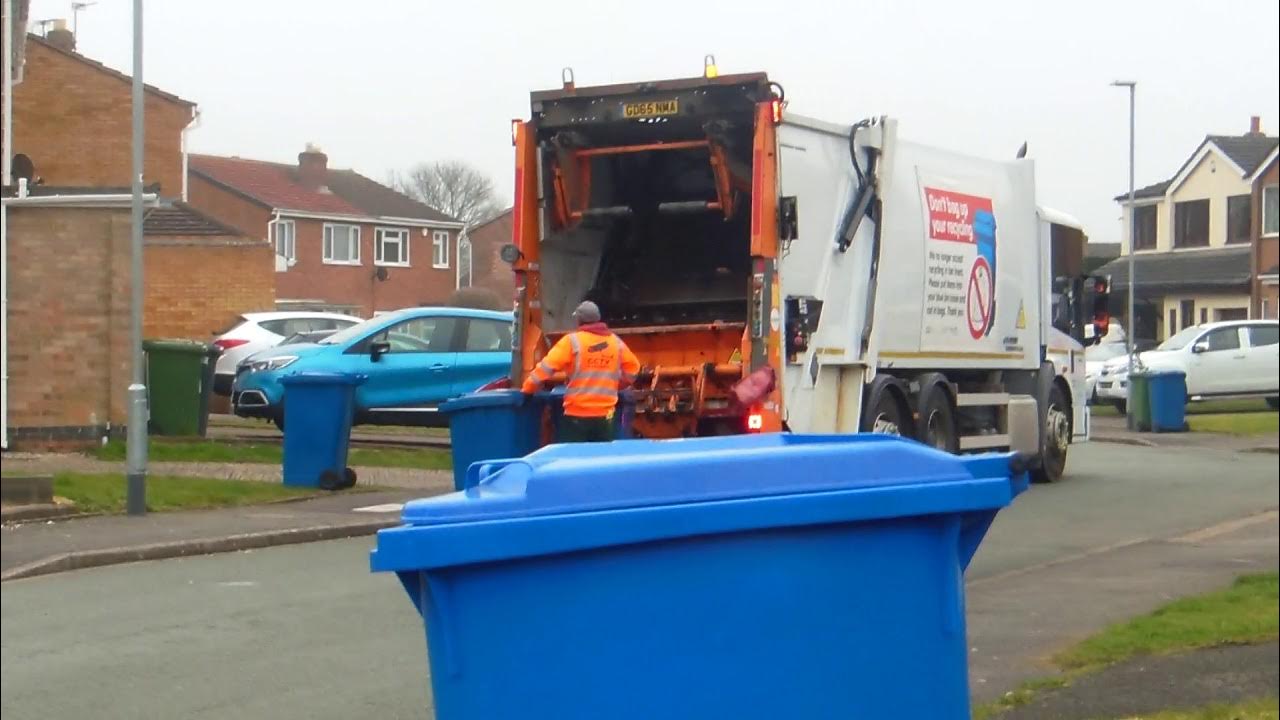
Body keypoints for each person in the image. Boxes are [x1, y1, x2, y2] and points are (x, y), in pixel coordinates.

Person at [522, 301, 641, 442]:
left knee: (574, 454)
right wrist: (616, 386)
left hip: (577, 414)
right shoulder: (615, 342)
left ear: (579, 320)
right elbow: (633, 369)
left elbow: (546, 368)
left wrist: (528, 390)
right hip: (605, 415)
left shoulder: (571, 342)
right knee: (601, 454)